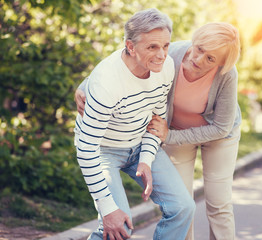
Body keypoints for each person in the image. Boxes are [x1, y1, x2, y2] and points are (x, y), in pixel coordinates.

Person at [76, 22, 241, 240]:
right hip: (173, 131)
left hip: (216, 135)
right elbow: (125, 59)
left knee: (219, 203)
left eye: (211, 59)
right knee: (183, 206)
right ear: (195, 41)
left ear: (221, 63)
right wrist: (85, 85)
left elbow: (221, 127)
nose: (198, 60)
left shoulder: (227, 75)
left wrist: (167, 136)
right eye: (200, 49)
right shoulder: (170, 53)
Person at [74, 8, 195, 240]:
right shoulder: (106, 83)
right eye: (152, 47)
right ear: (130, 47)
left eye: (165, 46)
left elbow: (156, 122)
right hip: (102, 150)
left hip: (139, 142)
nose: (162, 55)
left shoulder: (166, 67)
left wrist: (146, 160)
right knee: (118, 227)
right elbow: (86, 148)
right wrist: (108, 210)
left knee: (183, 207)